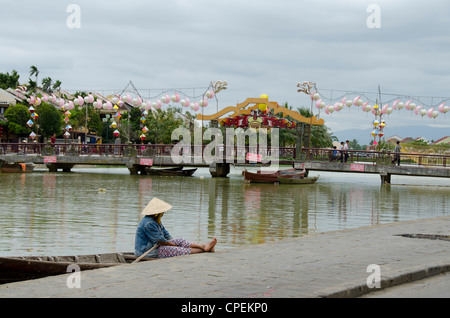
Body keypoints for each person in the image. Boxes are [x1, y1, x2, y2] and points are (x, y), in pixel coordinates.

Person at [134, 198, 217, 259]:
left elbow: (166, 235)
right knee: (177, 250)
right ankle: (205, 250)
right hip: (147, 251)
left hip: (156, 246)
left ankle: (203, 246)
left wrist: (175, 242)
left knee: (180, 240)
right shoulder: (149, 223)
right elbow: (161, 240)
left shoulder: (155, 220)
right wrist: (174, 246)